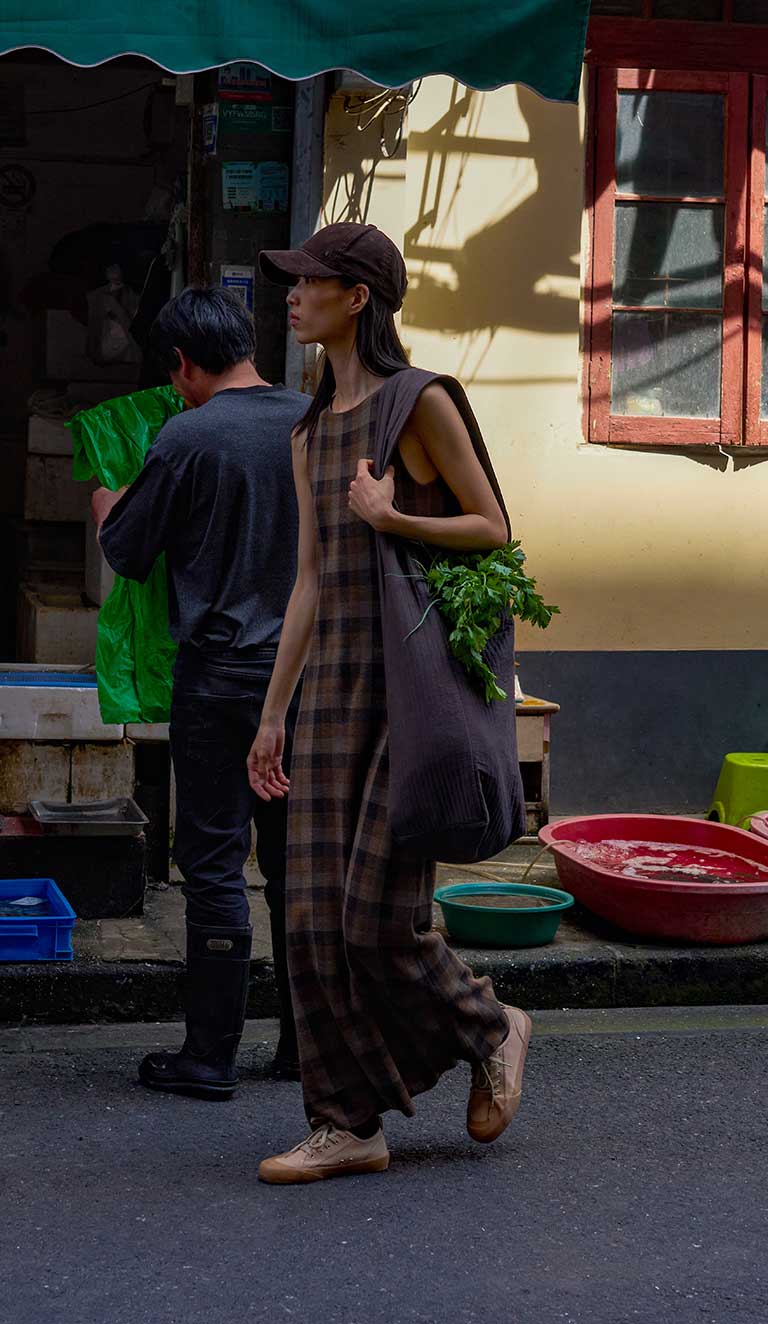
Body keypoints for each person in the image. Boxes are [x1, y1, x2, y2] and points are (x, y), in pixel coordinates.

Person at [248, 222, 531, 1184]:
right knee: (311, 922)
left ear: (357, 296)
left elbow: (492, 527)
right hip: (328, 690)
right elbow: (311, 584)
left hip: (406, 686)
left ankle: (491, 1024)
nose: (291, 298)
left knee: (377, 916)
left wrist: (393, 515)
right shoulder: (307, 429)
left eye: (308, 283)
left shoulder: (420, 402)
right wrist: (272, 711)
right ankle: (346, 1122)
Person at [91, 286, 307, 1096]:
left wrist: (108, 503)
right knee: (293, 864)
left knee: (214, 861)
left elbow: (129, 552)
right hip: (301, 679)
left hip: (219, 682)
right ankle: (301, 1048)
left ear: (182, 363)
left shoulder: (187, 435)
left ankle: (209, 1056)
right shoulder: (308, 421)